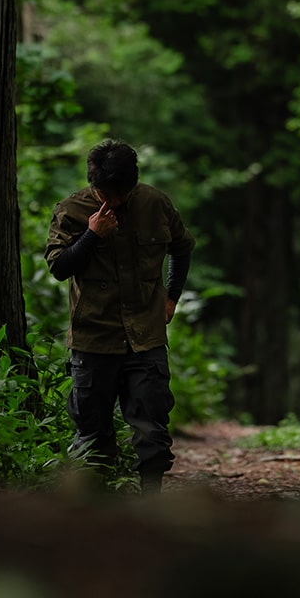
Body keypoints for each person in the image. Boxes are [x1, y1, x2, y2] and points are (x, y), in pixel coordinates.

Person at [45, 138, 195, 494]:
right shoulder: (70, 210)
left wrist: (171, 296)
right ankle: (96, 511)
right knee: (92, 436)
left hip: (146, 337)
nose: (113, 202)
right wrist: (92, 236)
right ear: (93, 183)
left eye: (121, 194)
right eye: (105, 194)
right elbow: (59, 267)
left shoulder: (154, 203)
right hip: (93, 339)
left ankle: (150, 501)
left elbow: (182, 247)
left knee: (152, 430)